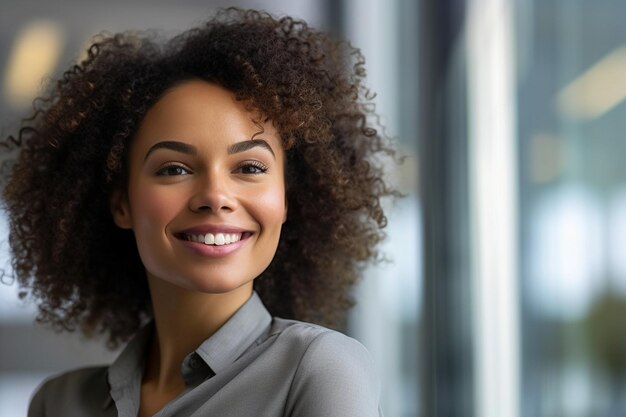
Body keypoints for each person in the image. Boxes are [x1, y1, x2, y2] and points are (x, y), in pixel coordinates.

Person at [3, 7, 395, 417]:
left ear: (286, 200)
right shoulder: (59, 402)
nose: (215, 195)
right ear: (122, 204)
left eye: (249, 168)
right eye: (174, 169)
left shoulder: (318, 368)